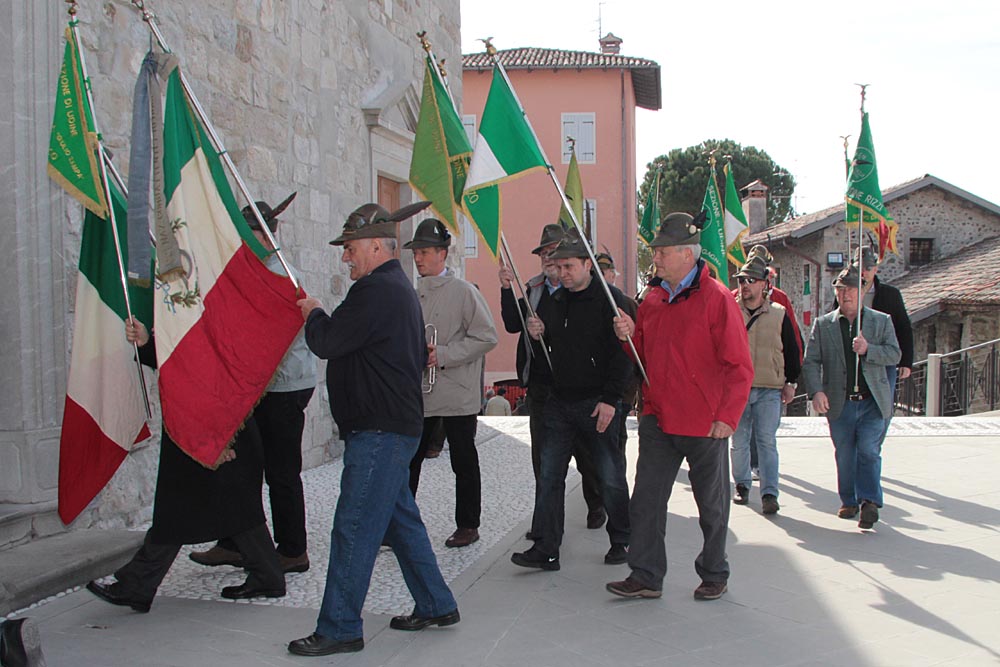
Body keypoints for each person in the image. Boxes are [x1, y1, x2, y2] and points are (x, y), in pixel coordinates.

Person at [287, 202, 458, 658]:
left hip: (380, 431)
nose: (345, 257)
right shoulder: (392, 288)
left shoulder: (375, 290)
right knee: (400, 523)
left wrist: (314, 312)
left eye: (350, 248)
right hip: (389, 427)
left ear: (378, 247)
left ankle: (340, 626)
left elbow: (327, 341)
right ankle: (437, 603)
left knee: (354, 526)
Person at [86, 319, 285, 613]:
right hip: (199, 423)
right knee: (227, 506)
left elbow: (220, 369)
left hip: (212, 426)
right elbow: (182, 358)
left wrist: (223, 436)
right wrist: (147, 343)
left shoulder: (219, 306)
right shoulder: (195, 306)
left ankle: (137, 585)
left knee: (184, 506)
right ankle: (267, 576)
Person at [606, 211, 753, 601]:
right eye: (655, 251)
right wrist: (626, 336)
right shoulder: (653, 298)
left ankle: (714, 572)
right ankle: (645, 574)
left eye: (662, 251)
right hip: (658, 417)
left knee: (712, 505)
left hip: (705, 423)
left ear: (688, 254)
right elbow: (642, 355)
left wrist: (728, 417)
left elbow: (740, 365)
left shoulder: (717, 298)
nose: (655, 257)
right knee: (646, 501)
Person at [190, 195, 317, 574]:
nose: (242, 241)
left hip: (283, 387)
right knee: (243, 468)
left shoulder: (282, 275)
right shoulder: (250, 269)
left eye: (248, 234)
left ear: (266, 235)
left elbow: (270, 335)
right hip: (252, 388)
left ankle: (293, 550)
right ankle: (234, 542)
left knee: (281, 471)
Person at [511, 228, 633, 570]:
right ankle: (546, 548)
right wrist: (538, 336)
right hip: (559, 402)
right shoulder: (555, 299)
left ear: (587, 264)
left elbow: (624, 354)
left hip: (598, 403)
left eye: (568, 267)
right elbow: (549, 349)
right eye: (558, 266)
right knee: (550, 475)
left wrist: (611, 399)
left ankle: (622, 539)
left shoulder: (610, 299)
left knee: (609, 475)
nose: (562, 273)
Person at [499, 224, 607, 533]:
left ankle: (596, 501)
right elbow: (512, 323)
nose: (548, 258)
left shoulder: (580, 290)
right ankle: (544, 525)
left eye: (553, 252)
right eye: (544, 253)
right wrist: (506, 289)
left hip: (577, 387)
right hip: (541, 386)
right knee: (543, 462)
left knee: (586, 455)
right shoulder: (534, 289)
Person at [404, 218, 498, 549]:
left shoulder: (464, 292)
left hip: (457, 393)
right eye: (416, 252)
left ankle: (468, 525)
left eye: (425, 252)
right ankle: (401, 523)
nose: (418, 258)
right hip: (421, 393)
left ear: (442, 253)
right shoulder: (412, 293)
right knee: (409, 460)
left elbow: (487, 337)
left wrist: (443, 354)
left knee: (463, 460)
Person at [801, 265, 900, 530]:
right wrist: (816, 391)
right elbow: (811, 361)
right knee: (845, 454)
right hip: (840, 402)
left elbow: (894, 354)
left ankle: (870, 501)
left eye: (850, 290)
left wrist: (869, 350)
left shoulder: (881, 321)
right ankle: (849, 500)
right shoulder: (824, 325)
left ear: (862, 291)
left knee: (868, 449)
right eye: (840, 290)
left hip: (872, 401)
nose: (845, 295)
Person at [730, 255, 801, 515]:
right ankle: (742, 485)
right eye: (741, 280)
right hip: (737, 388)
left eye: (750, 280)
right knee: (739, 441)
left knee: (766, 441)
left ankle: (770, 493)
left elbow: (792, 350)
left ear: (764, 284)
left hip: (769, 388)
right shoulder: (729, 310)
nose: (745, 285)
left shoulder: (779, 313)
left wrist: (791, 382)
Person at [854, 244, 914, 413]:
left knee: (884, 406)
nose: (864, 272)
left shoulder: (890, 295)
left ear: (875, 269)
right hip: (854, 359)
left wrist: (906, 362)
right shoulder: (846, 294)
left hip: (883, 358)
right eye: (859, 268)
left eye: (868, 268)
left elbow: (903, 328)